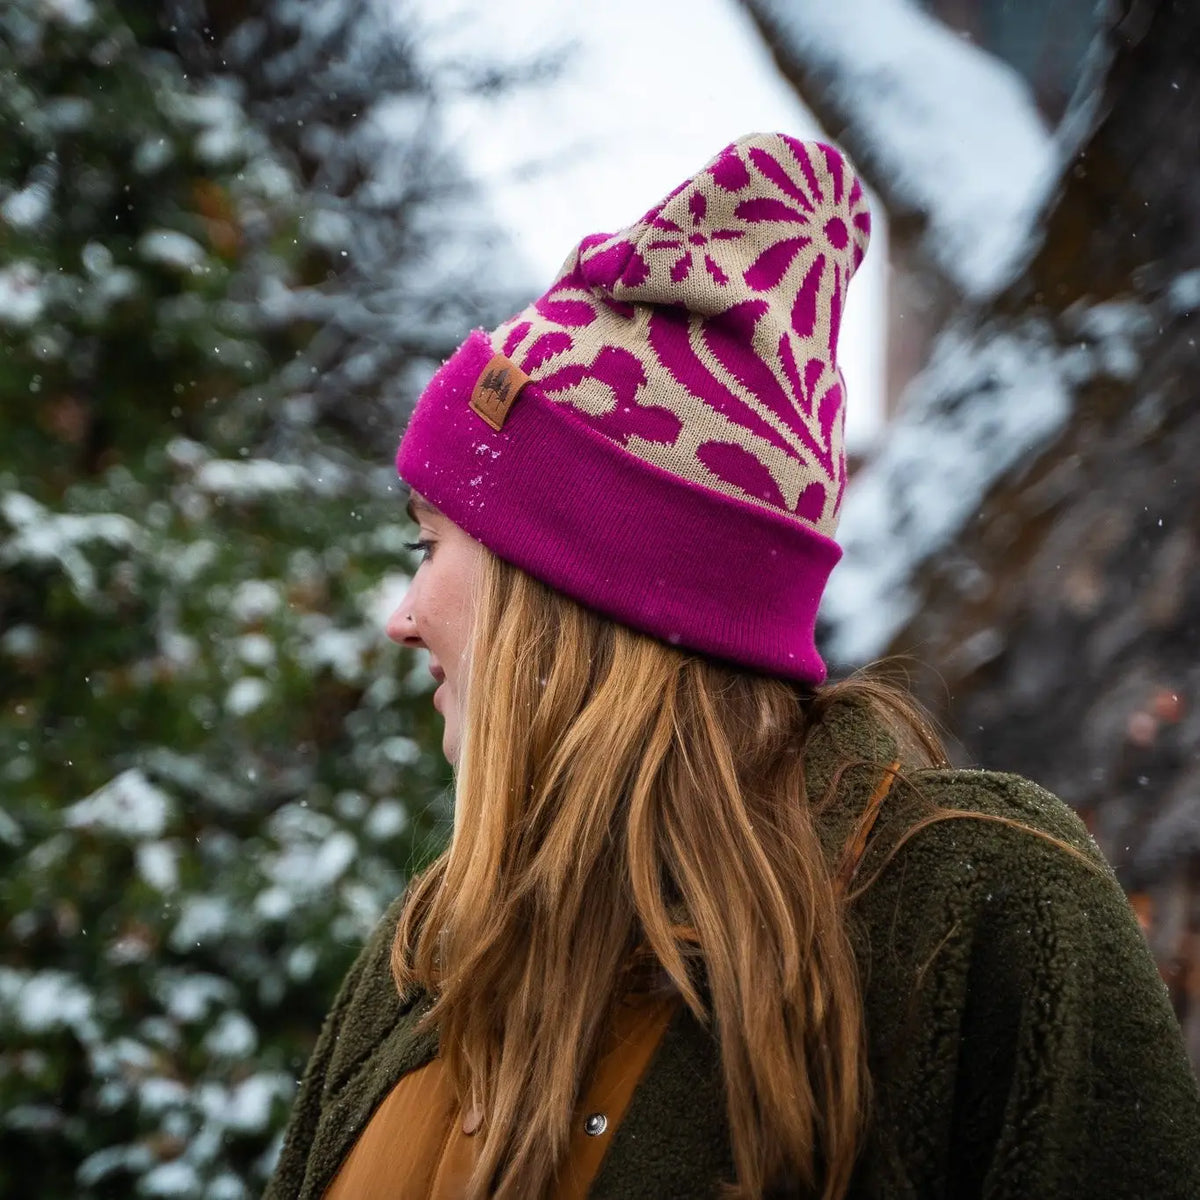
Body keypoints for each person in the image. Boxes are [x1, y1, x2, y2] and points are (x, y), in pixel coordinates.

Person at [264, 133, 1200, 1200]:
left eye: (427, 546)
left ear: (571, 585)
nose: (403, 615)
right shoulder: (430, 951)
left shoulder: (972, 915)